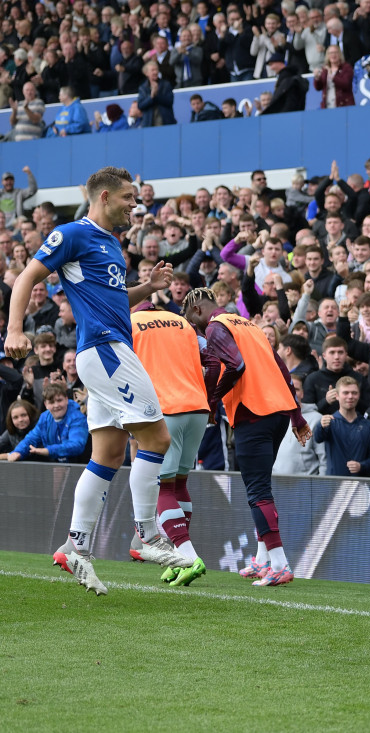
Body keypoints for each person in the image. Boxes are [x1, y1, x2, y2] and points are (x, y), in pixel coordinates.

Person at [5, 166, 190, 596]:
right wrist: (14, 329)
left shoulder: (111, 243)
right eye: (128, 198)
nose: (134, 206)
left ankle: (76, 546)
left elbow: (115, 300)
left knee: (107, 454)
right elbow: (27, 276)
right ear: (104, 197)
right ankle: (146, 536)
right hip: (106, 351)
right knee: (158, 438)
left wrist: (148, 287)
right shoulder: (73, 234)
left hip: (106, 352)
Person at [181, 287, 312, 586]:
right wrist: (296, 416)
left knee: (258, 491)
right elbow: (283, 370)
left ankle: (279, 564)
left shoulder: (216, 327)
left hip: (253, 412)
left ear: (198, 310)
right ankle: (262, 559)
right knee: (261, 487)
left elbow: (236, 366)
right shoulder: (248, 325)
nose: (193, 327)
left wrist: (212, 400)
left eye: (191, 320)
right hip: (278, 413)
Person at [131, 304, 210, 586]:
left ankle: (188, 557)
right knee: (179, 484)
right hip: (198, 407)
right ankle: (179, 555)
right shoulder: (182, 322)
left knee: (163, 487)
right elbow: (210, 358)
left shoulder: (131, 322)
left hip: (166, 408)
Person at [6, 383, 88, 463]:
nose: (56, 405)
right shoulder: (45, 418)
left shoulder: (78, 418)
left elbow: (77, 445)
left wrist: (48, 450)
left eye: (59, 400)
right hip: (56, 466)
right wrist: (17, 452)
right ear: (46, 404)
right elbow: (31, 439)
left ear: (66, 399)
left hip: (81, 465)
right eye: (51, 402)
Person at [315, 376, 370, 476]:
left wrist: (361, 466)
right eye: (345, 393)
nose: (350, 396)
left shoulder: (368, 425)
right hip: (334, 483)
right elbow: (318, 438)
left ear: (359, 395)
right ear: (337, 396)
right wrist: (321, 425)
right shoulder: (329, 422)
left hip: (360, 482)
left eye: (354, 393)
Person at [260, 50, 309, 114]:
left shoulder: (287, 80)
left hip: (286, 116)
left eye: (272, 64)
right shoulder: (290, 78)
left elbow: (289, 104)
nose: (271, 68)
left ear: (279, 63)